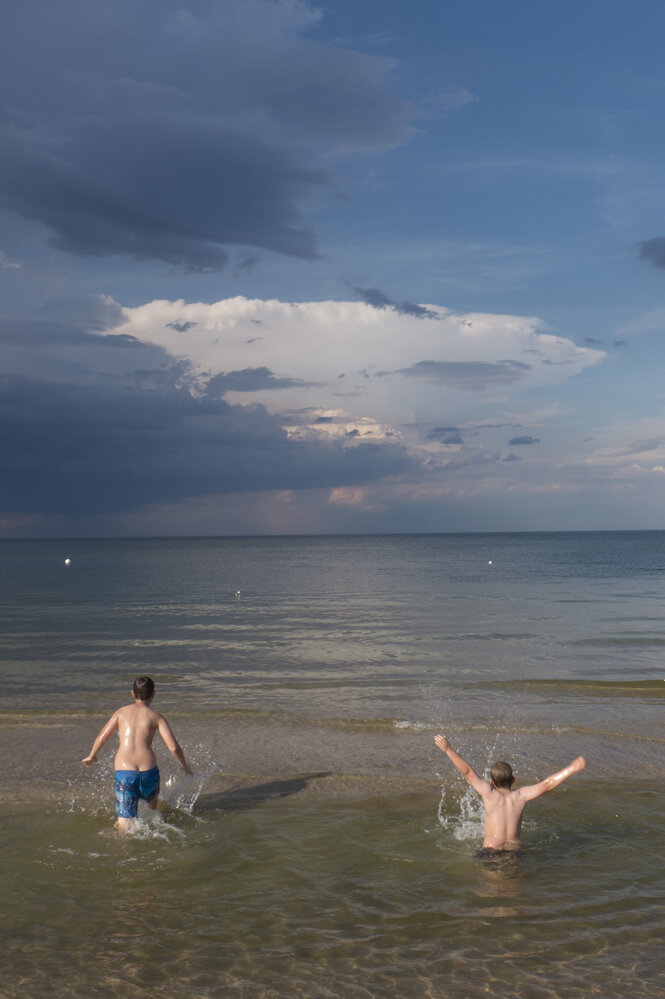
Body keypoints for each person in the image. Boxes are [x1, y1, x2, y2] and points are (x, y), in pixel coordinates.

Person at [434, 734, 586, 855]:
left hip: (491, 851)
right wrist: (571, 768)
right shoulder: (521, 796)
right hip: (515, 852)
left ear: (491, 782)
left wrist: (448, 749)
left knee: (491, 889)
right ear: (513, 780)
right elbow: (547, 784)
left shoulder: (489, 793)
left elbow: (467, 771)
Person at [82, 676, 193, 832]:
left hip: (125, 773)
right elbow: (173, 747)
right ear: (153, 694)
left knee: (125, 822)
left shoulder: (121, 713)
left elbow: (102, 736)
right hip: (149, 772)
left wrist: (92, 755)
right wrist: (185, 767)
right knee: (151, 809)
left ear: (133, 693)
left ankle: (127, 851)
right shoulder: (157, 717)